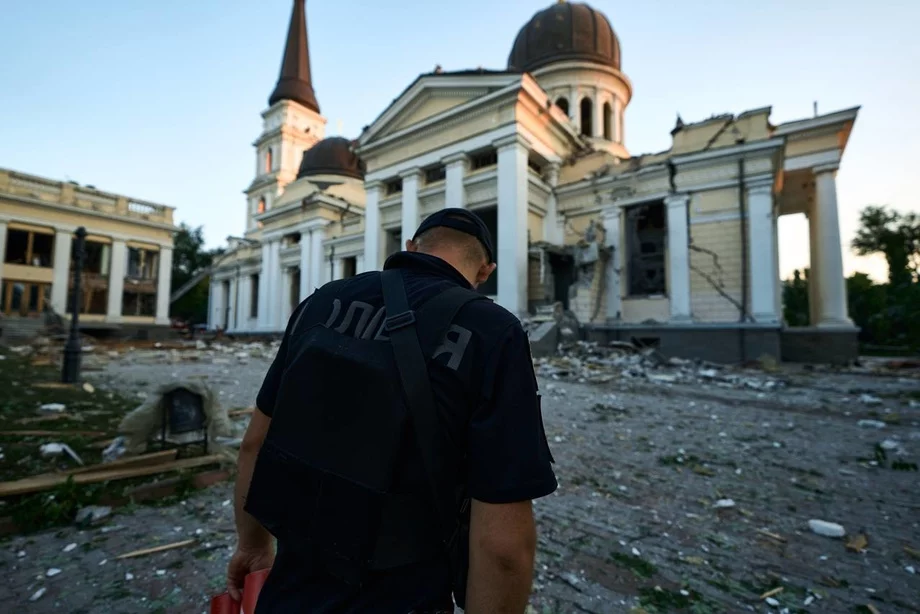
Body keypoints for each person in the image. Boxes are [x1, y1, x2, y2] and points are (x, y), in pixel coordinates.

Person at [227, 208, 557, 613]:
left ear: (411, 247)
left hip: (292, 589)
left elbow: (254, 444)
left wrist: (254, 544)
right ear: (485, 272)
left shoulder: (321, 302)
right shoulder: (493, 331)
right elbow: (503, 545)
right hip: (405, 594)